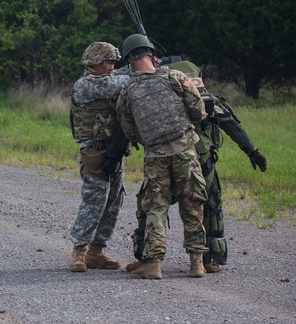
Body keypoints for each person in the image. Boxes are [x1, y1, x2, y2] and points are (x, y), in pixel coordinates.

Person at [126, 60, 267, 273]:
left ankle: (147, 258)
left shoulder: (156, 99)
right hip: (201, 163)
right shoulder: (206, 100)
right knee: (208, 207)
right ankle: (208, 259)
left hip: (164, 161)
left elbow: (129, 126)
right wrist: (252, 152)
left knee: (151, 205)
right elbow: (232, 126)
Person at [115, 34, 208, 279]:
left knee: (156, 208)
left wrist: (145, 140)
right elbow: (198, 110)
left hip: (155, 155)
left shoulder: (127, 91)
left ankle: (153, 264)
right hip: (185, 151)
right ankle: (197, 263)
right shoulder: (176, 77)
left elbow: (128, 128)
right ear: (151, 54)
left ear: (130, 60)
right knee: (192, 205)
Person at [68, 41, 133, 272]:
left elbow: (120, 76)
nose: (113, 66)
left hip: (115, 151)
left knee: (114, 201)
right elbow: (118, 83)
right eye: (109, 61)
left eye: (115, 62)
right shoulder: (86, 85)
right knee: (93, 202)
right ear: (95, 62)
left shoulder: (109, 77)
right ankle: (79, 251)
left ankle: (96, 251)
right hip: (94, 152)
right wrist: (143, 69)